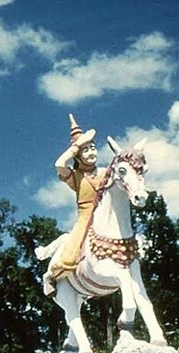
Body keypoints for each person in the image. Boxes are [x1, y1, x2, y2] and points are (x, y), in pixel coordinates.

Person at [48, 114, 107, 283]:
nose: (91, 152)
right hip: (85, 217)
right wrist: (77, 146)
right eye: (85, 150)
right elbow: (59, 164)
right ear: (77, 156)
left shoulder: (105, 172)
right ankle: (55, 275)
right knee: (70, 255)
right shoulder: (75, 176)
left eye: (93, 148)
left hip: (106, 213)